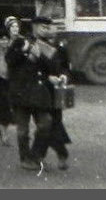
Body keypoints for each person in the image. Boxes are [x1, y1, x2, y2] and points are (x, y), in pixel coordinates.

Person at [7, 16, 70, 174]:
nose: (46, 30)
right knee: (22, 130)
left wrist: (39, 56)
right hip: (21, 92)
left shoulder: (48, 46)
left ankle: (36, 156)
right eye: (43, 27)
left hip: (39, 93)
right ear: (34, 27)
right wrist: (24, 51)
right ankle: (25, 159)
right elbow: (9, 60)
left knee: (46, 123)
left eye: (47, 27)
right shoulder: (20, 41)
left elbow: (54, 67)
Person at [0, 16, 21, 146]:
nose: (4, 42)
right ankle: (4, 135)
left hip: (9, 83)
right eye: (2, 39)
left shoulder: (11, 52)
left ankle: (2, 128)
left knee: (6, 107)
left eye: (6, 39)